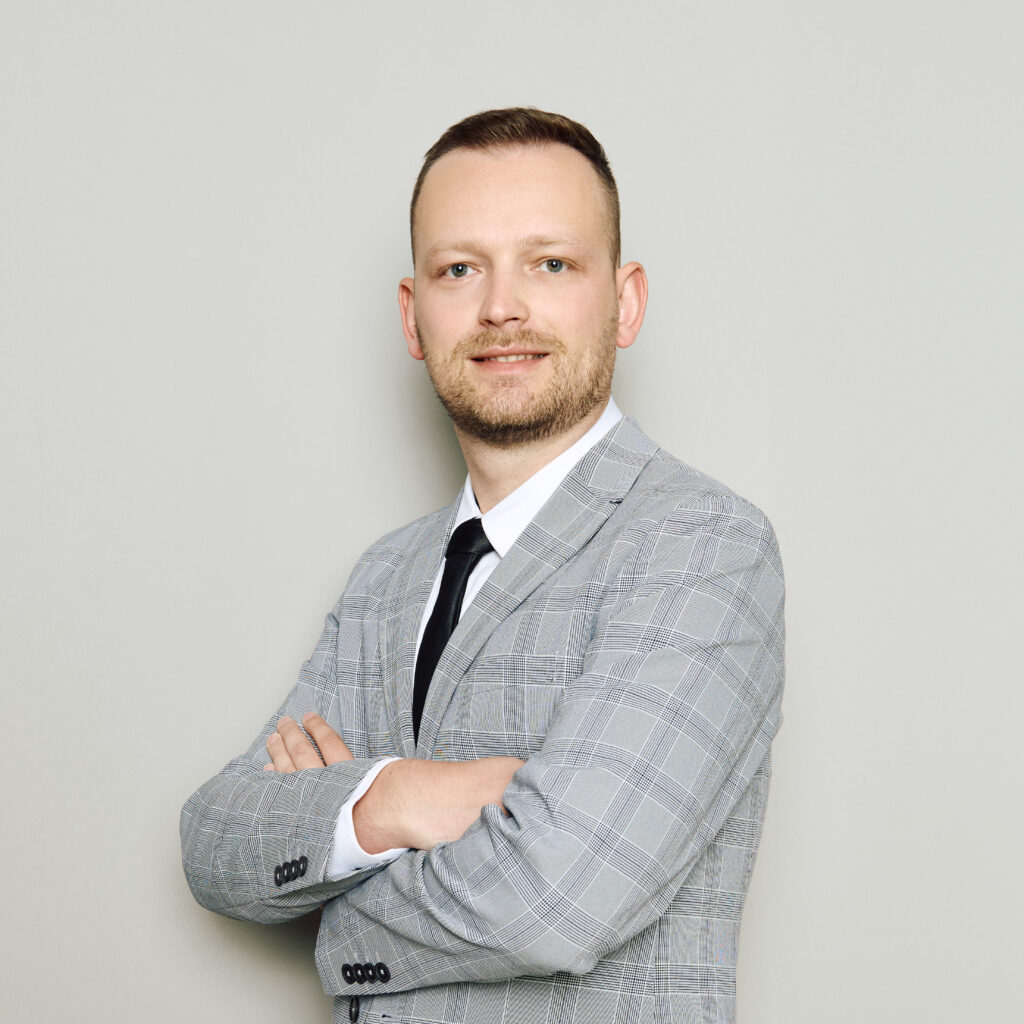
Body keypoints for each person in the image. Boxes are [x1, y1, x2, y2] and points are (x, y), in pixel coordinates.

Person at [181, 107, 785, 1024]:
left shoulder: (701, 545)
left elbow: (556, 900)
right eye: (460, 269)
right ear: (413, 314)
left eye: (551, 263)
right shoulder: (386, 576)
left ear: (624, 303)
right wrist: (395, 797)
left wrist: (332, 906)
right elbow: (216, 840)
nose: (502, 307)